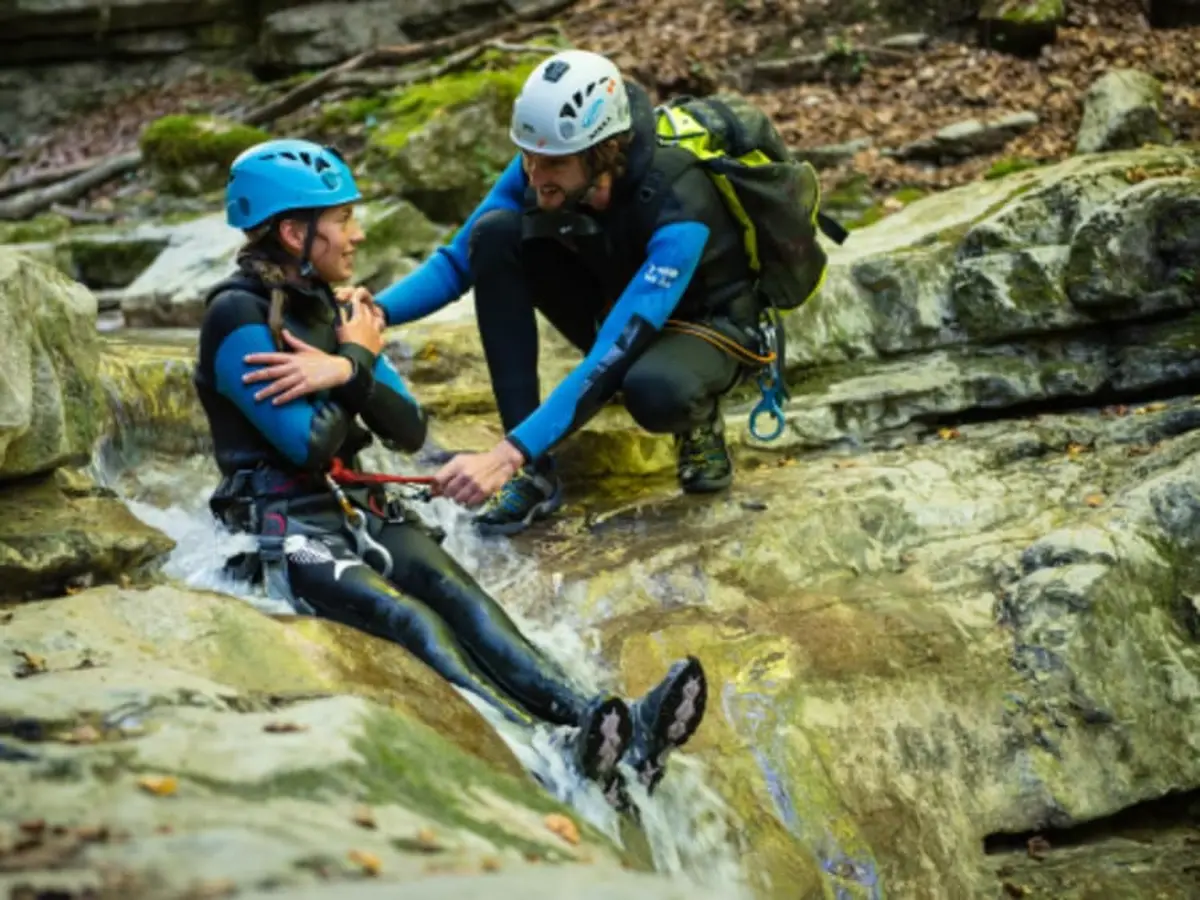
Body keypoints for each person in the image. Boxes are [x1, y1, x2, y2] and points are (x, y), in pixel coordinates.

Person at [192, 138, 707, 809]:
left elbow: (408, 429)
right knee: (412, 622)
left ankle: (605, 724)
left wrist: (348, 365)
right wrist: (355, 362)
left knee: (464, 599)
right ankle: (548, 747)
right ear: (295, 231)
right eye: (344, 219)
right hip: (282, 524)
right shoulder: (235, 315)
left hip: (355, 511)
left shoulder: (336, 305)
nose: (359, 232)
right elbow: (309, 449)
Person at [370, 48, 766, 536]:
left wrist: (504, 454)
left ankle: (698, 421)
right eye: (528, 158)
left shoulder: (681, 199)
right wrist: (374, 311)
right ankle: (535, 477)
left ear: (602, 152)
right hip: (618, 302)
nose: (535, 178)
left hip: (709, 325)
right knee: (495, 233)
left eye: (551, 164)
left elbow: (611, 355)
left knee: (654, 389)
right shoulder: (549, 160)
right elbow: (457, 263)